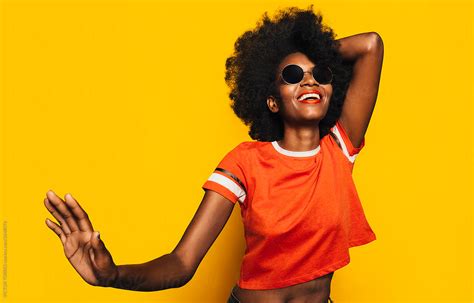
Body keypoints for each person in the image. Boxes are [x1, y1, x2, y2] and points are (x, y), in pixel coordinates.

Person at [44, 5, 384, 303]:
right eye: (292, 75)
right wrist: (113, 275)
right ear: (271, 100)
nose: (309, 80)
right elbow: (181, 263)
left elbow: (371, 44)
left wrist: (313, 55)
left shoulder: (338, 148)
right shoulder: (245, 162)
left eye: (320, 75)